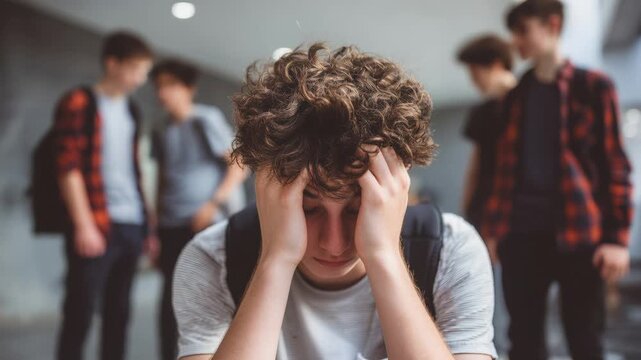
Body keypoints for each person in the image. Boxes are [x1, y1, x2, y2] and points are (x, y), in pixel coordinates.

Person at [172, 43, 497, 360]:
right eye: (309, 207)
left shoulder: (451, 250)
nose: (333, 243)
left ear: (397, 187)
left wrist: (384, 257)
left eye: (357, 209)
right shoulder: (214, 259)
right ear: (267, 190)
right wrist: (276, 259)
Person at [481, 1, 634, 359]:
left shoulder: (594, 86)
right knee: (524, 342)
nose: (516, 42)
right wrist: (493, 230)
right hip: (520, 235)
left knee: (585, 341)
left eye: (523, 30)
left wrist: (617, 239)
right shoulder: (516, 95)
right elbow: (501, 171)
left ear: (552, 25)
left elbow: (615, 164)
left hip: (581, 236)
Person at [54, 32, 155, 360]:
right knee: (79, 313)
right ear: (113, 64)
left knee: (119, 316)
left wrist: (147, 227)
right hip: (96, 222)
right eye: (137, 69)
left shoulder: (132, 110)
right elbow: (67, 165)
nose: (142, 78)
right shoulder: (79, 102)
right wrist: (84, 224)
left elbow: (134, 171)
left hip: (130, 224)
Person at [149, 58, 247, 360]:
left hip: (202, 223)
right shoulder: (164, 129)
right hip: (170, 224)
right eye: (159, 86)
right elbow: (163, 178)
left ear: (189, 88)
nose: (163, 92)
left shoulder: (205, 118)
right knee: (169, 302)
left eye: (171, 85)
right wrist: (154, 225)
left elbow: (239, 163)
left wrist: (212, 205)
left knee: (212, 301)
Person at [457, 34, 516, 257]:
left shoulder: (527, 102)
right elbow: (477, 162)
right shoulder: (482, 111)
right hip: (486, 208)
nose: (473, 81)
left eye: (475, 73)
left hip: (517, 211)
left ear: (496, 65)